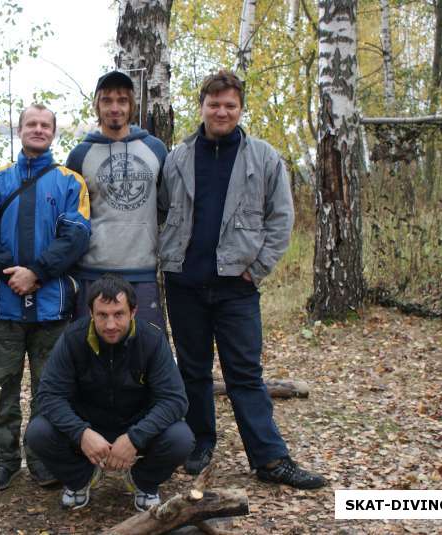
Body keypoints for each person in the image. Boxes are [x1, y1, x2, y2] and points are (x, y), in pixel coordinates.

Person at [158, 70, 326, 489]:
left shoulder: (264, 158)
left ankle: (270, 459)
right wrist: (168, 257)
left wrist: (258, 268)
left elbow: (281, 218)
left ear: (240, 109)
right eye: (214, 104)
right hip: (185, 283)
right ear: (202, 107)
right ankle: (200, 442)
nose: (221, 111)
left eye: (230, 105)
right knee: (192, 370)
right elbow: (162, 211)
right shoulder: (178, 157)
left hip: (237, 286)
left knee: (245, 374)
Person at [0, 104, 91, 491]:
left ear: (54, 132)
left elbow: (76, 236)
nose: (38, 130)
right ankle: (4, 461)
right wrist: (13, 272)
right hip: (5, 305)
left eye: (45, 125)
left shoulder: (72, 183)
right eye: (31, 124)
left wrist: (36, 272)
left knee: (49, 390)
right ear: (19, 129)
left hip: (53, 305)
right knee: (2, 386)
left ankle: (42, 458)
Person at [25, 275, 194, 511]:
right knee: (38, 432)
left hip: (137, 424)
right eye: (102, 315)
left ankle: (142, 481)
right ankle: (82, 478)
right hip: (88, 424)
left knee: (181, 438)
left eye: (118, 314)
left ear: (133, 312)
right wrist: (81, 432)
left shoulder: (152, 340)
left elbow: (175, 400)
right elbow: (49, 395)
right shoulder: (73, 338)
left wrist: (136, 437)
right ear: (91, 313)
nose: (110, 324)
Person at [65, 71, 168, 329]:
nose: (114, 108)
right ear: (97, 105)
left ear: (131, 105)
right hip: (93, 270)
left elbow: (168, 208)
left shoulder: (155, 150)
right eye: (107, 100)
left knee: (146, 353)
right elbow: (72, 216)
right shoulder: (80, 154)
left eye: (122, 100)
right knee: (91, 357)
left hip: (142, 270)